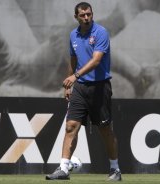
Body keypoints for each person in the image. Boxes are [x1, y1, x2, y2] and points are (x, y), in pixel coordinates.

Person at [45, 2, 121, 181]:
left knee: (105, 130)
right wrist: (69, 84)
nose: (86, 18)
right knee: (70, 126)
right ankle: (63, 169)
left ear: (92, 14)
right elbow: (73, 59)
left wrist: (75, 76)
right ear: (76, 17)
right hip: (80, 88)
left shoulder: (100, 32)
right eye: (82, 15)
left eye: (89, 14)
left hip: (100, 87)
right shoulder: (73, 35)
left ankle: (115, 169)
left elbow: (96, 61)